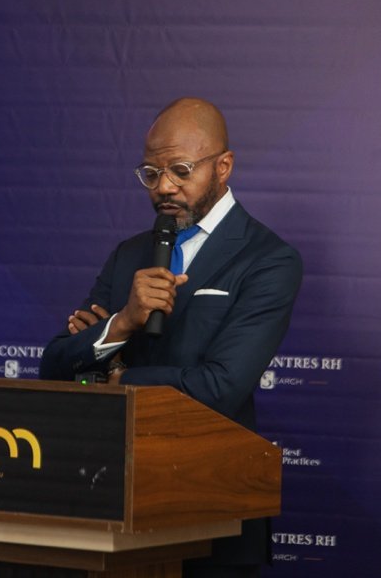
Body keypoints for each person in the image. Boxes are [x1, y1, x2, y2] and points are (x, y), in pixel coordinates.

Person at [39, 98, 303, 578]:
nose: (163, 187)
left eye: (181, 170)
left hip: (213, 512)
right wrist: (122, 322)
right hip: (113, 506)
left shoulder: (268, 260)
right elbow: (55, 366)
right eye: (150, 173)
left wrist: (117, 380)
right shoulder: (130, 255)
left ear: (223, 167)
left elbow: (220, 387)